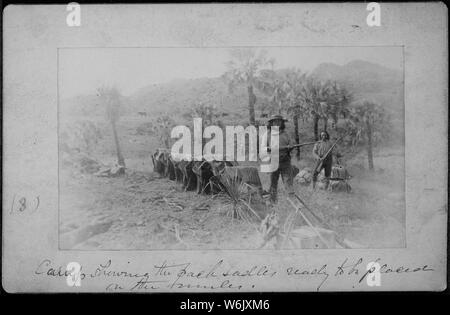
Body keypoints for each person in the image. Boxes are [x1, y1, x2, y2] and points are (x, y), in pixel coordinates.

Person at [267, 115, 295, 203]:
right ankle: (273, 201)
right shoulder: (268, 134)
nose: (277, 123)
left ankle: (292, 202)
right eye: (275, 121)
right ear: (272, 123)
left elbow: (291, 145)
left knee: (288, 181)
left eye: (279, 121)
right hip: (273, 161)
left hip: (285, 161)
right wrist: (268, 148)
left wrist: (290, 147)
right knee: (273, 182)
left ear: (282, 123)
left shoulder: (286, 134)